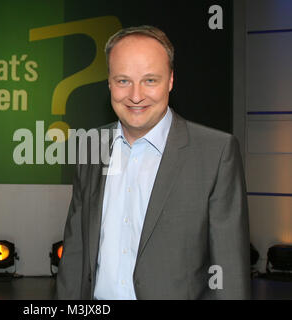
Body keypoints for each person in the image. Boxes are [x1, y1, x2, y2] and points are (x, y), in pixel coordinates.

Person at [56, 25, 251, 299]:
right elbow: (76, 253)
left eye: (150, 80)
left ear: (170, 80)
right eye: (123, 80)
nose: (136, 96)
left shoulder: (216, 152)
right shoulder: (91, 145)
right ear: (109, 82)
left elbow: (229, 271)